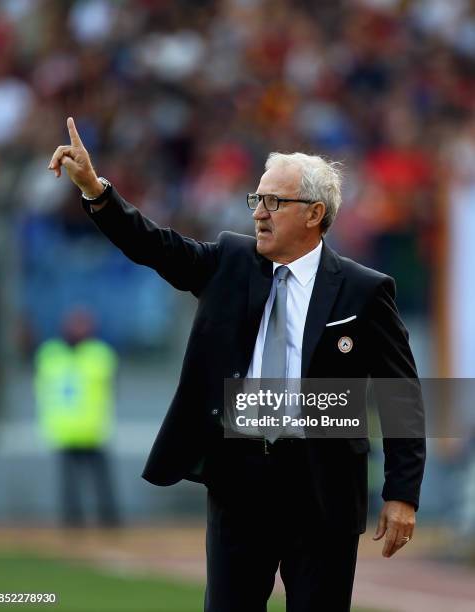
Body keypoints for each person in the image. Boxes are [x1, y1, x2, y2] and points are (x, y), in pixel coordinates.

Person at [48, 117, 425, 611]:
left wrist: (402, 493)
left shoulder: (364, 290)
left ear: (314, 214)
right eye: (257, 199)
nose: (259, 214)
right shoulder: (230, 261)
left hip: (324, 491)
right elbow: (155, 246)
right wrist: (96, 191)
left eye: (274, 202)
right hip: (240, 483)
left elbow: (402, 394)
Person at [35, 307, 121, 528]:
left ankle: (108, 520)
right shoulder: (51, 354)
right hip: (65, 429)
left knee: (100, 481)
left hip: (93, 428)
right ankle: (73, 522)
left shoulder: (98, 354)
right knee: (70, 483)